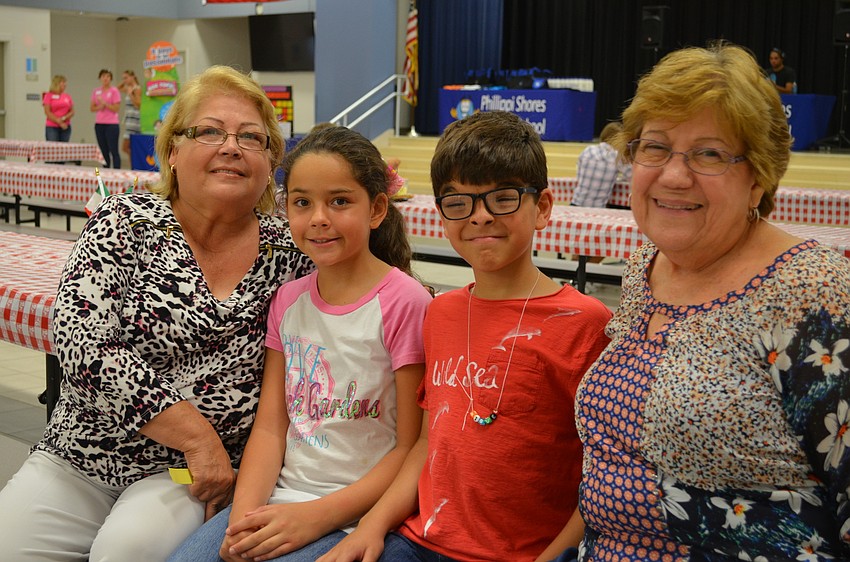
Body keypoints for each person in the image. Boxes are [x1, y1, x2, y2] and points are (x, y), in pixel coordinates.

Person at [0, 65, 314, 561]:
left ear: (270, 161)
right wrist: (198, 438)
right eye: (210, 131)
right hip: (82, 454)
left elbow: (369, 289)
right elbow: (83, 343)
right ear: (172, 151)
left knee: (127, 550)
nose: (231, 147)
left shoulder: (293, 250)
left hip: (190, 479)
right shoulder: (126, 221)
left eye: (252, 138)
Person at [574, 42, 850, 560]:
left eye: (710, 154)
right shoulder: (647, 268)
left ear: (759, 178)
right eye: (655, 147)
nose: (674, 175)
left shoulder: (810, 290)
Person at [319, 110, 613, 562]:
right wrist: (372, 527)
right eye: (458, 202)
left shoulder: (586, 323)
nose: (480, 217)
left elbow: (602, 473)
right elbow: (426, 442)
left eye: (503, 198)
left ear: (543, 207)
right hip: (418, 542)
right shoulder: (441, 312)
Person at [168, 126, 433, 562]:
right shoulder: (289, 300)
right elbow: (271, 427)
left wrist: (317, 517)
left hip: (354, 513)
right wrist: (243, 518)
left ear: (376, 209)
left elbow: (409, 448)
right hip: (279, 498)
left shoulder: (405, 303)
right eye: (302, 202)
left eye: (340, 201)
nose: (319, 218)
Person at [571, 121, 632, 209]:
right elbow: (633, 175)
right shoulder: (616, 156)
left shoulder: (587, 150)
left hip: (575, 204)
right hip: (596, 209)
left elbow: (579, 174)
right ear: (618, 140)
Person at [90, 68, 122, 168]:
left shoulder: (114, 91)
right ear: (100, 78)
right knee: (103, 150)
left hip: (111, 124)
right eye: (103, 76)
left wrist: (105, 104)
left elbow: (116, 108)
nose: (105, 78)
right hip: (99, 123)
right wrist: (100, 106)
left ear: (110, 78)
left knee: (113, 150)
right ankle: (106, 170)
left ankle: (117, 171)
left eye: (108, 76)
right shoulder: (96, 91)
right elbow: (92, 108)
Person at [43, 74, 74, 143]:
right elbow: (47, 112)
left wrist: (64, 118)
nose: (65, 84)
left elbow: (72, 111)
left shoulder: (67, 96)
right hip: (52, 126)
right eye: (63, 82)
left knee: (64, 147)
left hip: (66, 126)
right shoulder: (48, 96)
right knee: (53, 146)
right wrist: (59, 121)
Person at [120, 69, 142, 163]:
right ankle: (133, 165)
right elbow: (117, 88)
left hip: (135, 121)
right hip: (129, 120)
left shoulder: (137, 89)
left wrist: (130, 94)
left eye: (126, 78)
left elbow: (138, 104)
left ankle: (135, 163)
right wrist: (125, 82)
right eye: (123, 78)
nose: (124, 80)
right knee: (129, 147)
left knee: (125, 147)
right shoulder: (129, 88)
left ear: (132, 77)